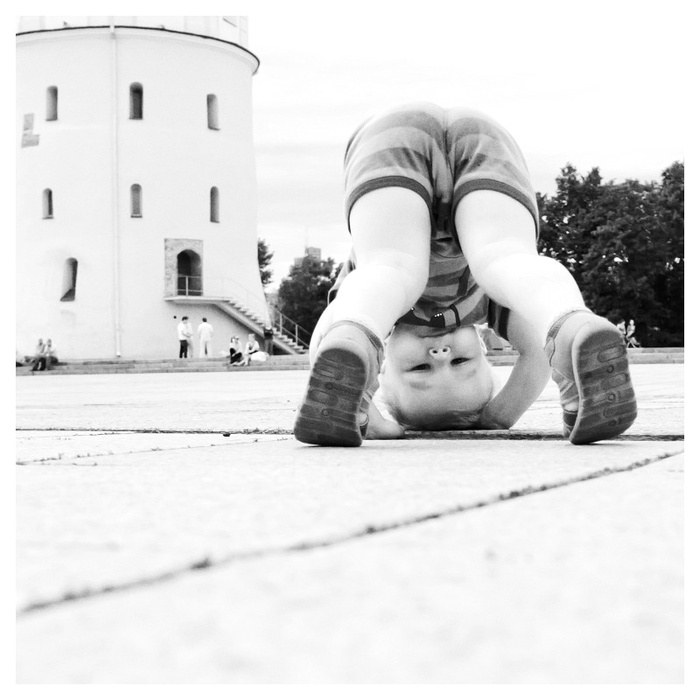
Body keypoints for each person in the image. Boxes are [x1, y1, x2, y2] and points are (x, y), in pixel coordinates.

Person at [293, 102, 637, 447]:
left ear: (379, 371)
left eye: (420, 369)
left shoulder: (373, 306)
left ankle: (354, 338)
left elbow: (325, 341)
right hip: (477, 140)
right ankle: (570, 325)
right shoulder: (485, 303)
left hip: (397, 136)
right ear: (481, 347)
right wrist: (500, 414)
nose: (441, 355)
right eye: (461, 360)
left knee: (393, 267)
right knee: (504, 257)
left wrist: (370, 418)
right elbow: (535, 353)